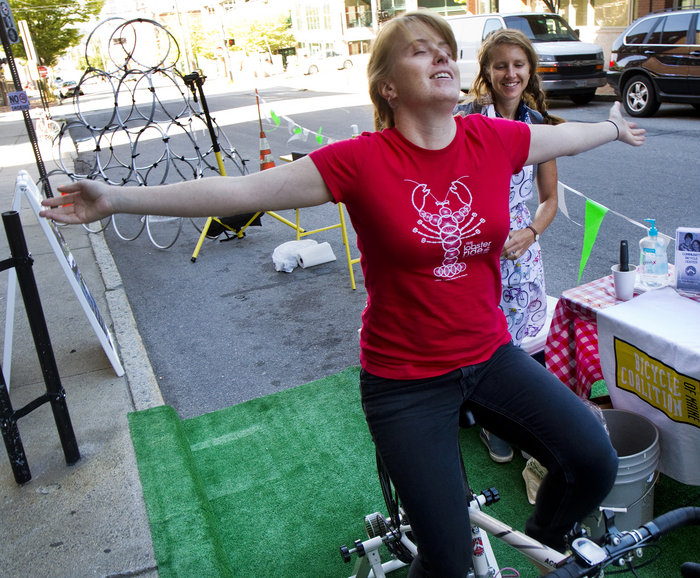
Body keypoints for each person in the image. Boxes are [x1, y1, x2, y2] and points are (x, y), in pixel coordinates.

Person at [41, 11, 645, 577]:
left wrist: (614, 127)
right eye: (420, 51)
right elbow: (238, 192)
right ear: (387, 87)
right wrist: (116, 198)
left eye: (447, 51)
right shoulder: (361, 161)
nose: (442, 58)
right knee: (445, 557)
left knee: (594, 459)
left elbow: (568, 140)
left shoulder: (492, 138)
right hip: (404, 382)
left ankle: (546, 543)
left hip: (489, 355)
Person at [455, 28, 560, 464]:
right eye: (501, 65)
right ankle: (484, 420)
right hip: (474, 251)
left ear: (530, 70)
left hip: (521, 253)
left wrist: (532, 232)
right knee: (474, 339)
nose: (510, 73)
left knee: (515, 344)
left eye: (518, 65)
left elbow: (550, 201)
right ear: (487, 71)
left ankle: (510, 417)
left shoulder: (539, 126)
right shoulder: (467, 118)